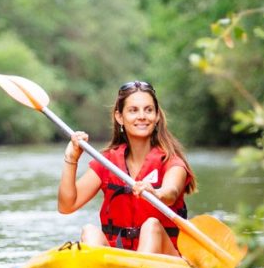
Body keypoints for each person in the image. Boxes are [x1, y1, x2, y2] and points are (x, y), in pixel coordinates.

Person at [57, 80, 197, 256]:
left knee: (151, 226)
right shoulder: (107, 162)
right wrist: (71, 159)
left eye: (148, 110)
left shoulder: (172, 162)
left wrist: (156, 193)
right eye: (133, 110)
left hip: (166, 260)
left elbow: (171, 192)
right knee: (89, 231)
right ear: (119, 117)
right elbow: (66, 206)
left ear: (157, 116)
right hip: (123, 259)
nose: (142, 116)